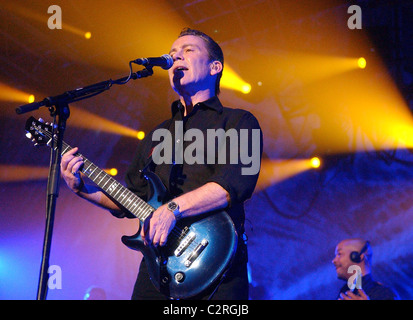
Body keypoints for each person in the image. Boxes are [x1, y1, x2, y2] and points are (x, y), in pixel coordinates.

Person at [60, 28, 262, 300]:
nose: (176, 56)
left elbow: (234, 185)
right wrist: (81, 189)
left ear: (215, 67)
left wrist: (172, 209)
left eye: (188, 50)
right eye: (173, 53)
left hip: (216, 261)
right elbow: (130, 200)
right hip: (159, 266)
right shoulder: (157, 135)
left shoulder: (239, 121)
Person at [332, 238, 399, 300]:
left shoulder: (384, 293)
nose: (334, 261)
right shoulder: (344, 291)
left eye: (339, 254)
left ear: (357, 256)